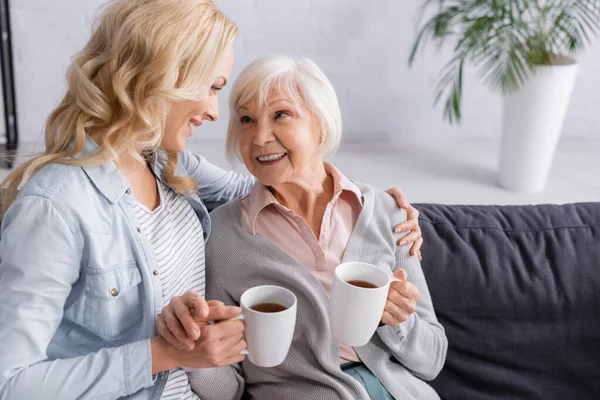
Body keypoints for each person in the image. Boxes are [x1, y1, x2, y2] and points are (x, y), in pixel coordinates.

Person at [0, 2, 422, 399]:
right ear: (161, 74)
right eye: (212, 87)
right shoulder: (54, 207)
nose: (215, 112)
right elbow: (9, 382)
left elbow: (265, 189)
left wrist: (370, 203)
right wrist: (166, 354)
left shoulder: (166, 162)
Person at [157, 56, 447, 400]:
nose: (260, 136)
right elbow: (225, 390)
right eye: (246, 120)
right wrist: (196, 352)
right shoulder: (224, 235)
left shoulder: (387, 213)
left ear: (321, 124)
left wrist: (399, 321)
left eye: (281, 115)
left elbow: (431, 361)